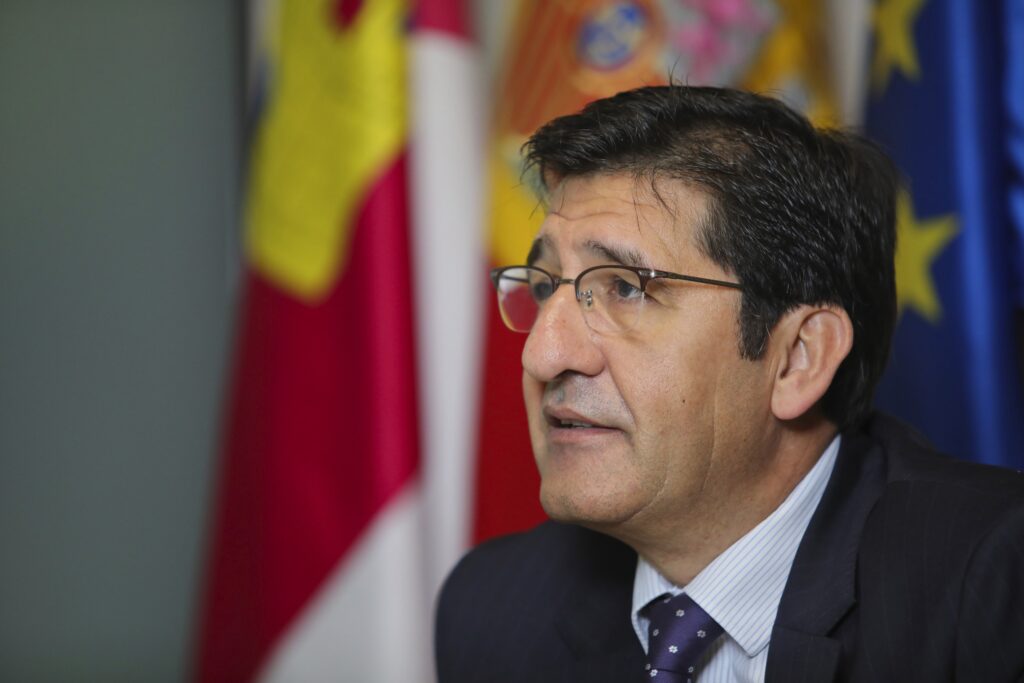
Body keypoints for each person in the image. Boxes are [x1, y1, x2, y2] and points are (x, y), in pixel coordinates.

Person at [435, 86, 1024, 682]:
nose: (542, 353)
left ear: (798, 358)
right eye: (544, 286)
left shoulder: (995, 584)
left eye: (625, 288)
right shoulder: (493, 608)